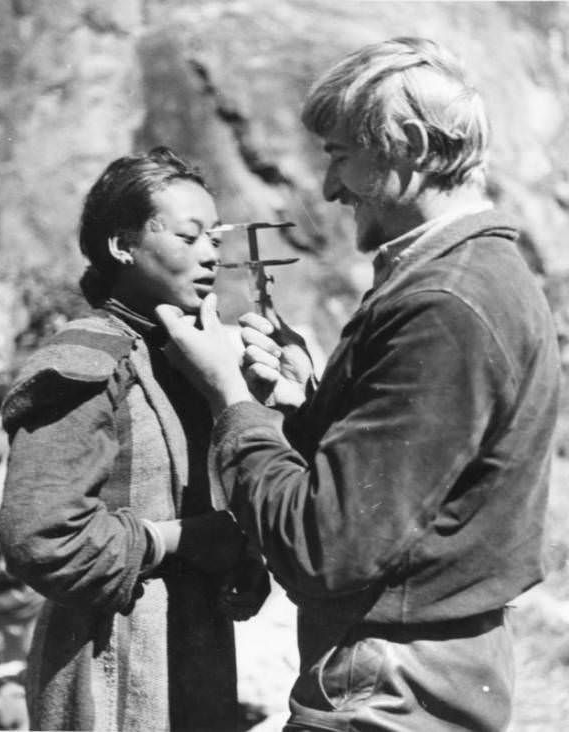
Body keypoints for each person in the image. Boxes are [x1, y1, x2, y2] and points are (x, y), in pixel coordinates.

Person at [155, 38, 561, 732]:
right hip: (429, 669)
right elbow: (410, 494)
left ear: (403, 144)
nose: (329, 189)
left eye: (341, 155)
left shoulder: (446, 306)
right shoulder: (476, 277)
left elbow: (324, 548)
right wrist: (309, 404)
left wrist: (232, 398)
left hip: (385, 688)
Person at [0, 146, 269, 732]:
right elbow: (40, 538)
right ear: (122, 246)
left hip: (193, 654)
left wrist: (240, 553)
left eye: (215, 241)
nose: (210, 258)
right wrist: (180, 539)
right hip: (108, 664)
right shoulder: (84, 362)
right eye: (188, 237)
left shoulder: (190, 358)